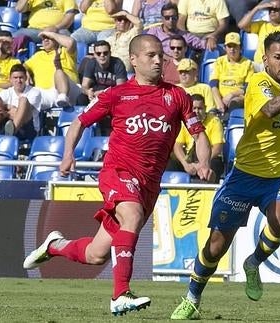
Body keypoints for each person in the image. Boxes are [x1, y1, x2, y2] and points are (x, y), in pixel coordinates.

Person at [23, 34, 214, 316]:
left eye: (160, 55)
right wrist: (68, 154)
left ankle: (56, 245)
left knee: (96, 254)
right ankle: (120, 294)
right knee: (133, 216)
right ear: (134, 60)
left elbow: (199, 134)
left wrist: (203, 162)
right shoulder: (117, 94)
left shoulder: (177, 96)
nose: (158, 59)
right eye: (151, 55)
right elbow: (79, 122)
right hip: (118, 172)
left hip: (149, 184)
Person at [170, 31, 280, 320]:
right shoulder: (259, 82)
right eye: (277, 57)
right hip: (245, 174)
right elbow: (272, 109)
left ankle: (253, 262)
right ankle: (192, 298)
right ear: (266, 60)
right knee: (216, 246)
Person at [168, 94, 225, 182]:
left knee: (215, 163)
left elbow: (217, 148)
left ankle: (208, 192)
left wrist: (202, 163)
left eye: (200, 108)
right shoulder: (185, 121)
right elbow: (177, 146)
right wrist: (185, 164)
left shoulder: (215, 121)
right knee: (170, 162)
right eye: (194, 108)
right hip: (189, 159)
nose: (197, 111)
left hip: (208, 158)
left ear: (205, 108)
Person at [24, 29, 81, 109]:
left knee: (59, 72)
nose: (45, 40)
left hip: (70, 90)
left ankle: (63, 96)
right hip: (46, 94)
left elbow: (71, 43)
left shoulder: (65, 51)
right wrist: (26, 73)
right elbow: (21, 67)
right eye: (43, 38)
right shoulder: (38, 56)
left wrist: (52, 34)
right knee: (25, 100)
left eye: (48, 37)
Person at [0, 64, 42, 140]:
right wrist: (10, 110)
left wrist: (6, 111)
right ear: (10, 79)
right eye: (15, 78)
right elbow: (1, 108)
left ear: (26, 78)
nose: (18, 81)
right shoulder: (6, 92)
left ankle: (11, 133)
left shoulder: (35, 92)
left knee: (23, 100)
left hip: (27, 128)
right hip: (6, 125)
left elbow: (24, 113)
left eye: (21, 78)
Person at [238, 0, 280, 66]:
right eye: (270, 9)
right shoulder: (262, 25)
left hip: (279, 65)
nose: (272, 11)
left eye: (276, 9)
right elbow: (241, 25)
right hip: (260, 64)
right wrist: (257, 8)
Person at [210, 32, 254, 117]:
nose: (232, 49)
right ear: (225, 48)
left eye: (235, 46)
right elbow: (213, 84)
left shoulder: (248, 64)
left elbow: (248, 88)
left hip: (238, 97)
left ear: (240, 48)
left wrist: (232, 94)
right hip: (220, 98)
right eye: (229, 46)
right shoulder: (220, 61)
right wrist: (220, 103)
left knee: (234, 102)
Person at [77, 40, 128, 107]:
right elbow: (84, 86)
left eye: (105, 53)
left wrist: (104, 93)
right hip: (95, 95)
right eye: (98, 53)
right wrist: (88, 92)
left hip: (112, 95)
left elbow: (120, 89)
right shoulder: (91, 63)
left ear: (110, 53)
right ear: (94, 55)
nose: (102, 55)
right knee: (81, 98)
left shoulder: (117, 63)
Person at [13, 0, 78, 43]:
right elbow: (19, 9)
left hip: (58, 30)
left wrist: (56, 27)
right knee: (15, 37)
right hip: (34, 30)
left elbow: (70, 17)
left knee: (68, 40)